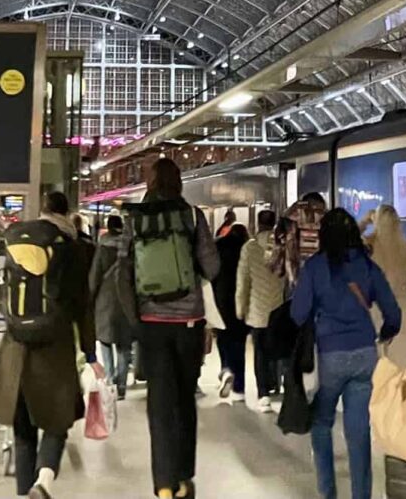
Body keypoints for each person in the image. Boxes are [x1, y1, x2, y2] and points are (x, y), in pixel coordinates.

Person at [0, 192, 99, 499]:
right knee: (56, 420)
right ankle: (44, 481)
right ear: (67, 213)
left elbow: (3, 295)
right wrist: (90, 353)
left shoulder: (16, 240)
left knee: (23, 430)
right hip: (54, 347)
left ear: (43, 210)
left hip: (15, 347)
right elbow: (82, 306)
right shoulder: (73, 248)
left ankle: (24, 492)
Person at [121, 156, 219, 499]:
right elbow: (212, 266)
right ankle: (183, 477)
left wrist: (135, 320)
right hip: (188, 322)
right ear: (179, 182)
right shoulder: (192, 215)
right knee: (184, 398)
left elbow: (125, 270)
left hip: (150, 323)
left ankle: (163, 483)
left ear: (149, 183)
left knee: (159, 404)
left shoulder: (135, 218)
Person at [291, 208, 400, 499]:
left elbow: (298, 313)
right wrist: (382, 335)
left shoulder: (315, 266)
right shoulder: (367, 265)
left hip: (331, 356)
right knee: (358, 430)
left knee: (321, 421)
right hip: (365, 354)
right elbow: (394, 314)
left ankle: (328, 492)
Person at [363, 203, 406, 369]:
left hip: (377, 317)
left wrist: (364, 222)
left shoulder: (368, 247)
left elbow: (348, 241)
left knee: (382, 382)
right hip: (405, 319)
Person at [236, 209, 285, 411]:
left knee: (260, 353)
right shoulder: (282, 248)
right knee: (279, 348)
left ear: (257, 224)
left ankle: (263, 393)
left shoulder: (250, 248)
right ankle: (277, 384)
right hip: (279, 308)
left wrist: (240, 308)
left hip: (257, 309)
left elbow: (243, 281)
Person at [89, 214, 133, 399]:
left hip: (105, 302)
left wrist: (90, 299)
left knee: (106, 342)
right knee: (124, 346)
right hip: (126, 301)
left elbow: (95, 277)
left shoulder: (102, 247)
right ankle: (121, 386)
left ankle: (109, 379)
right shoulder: (131, 248)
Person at [213, 221, 249, 402]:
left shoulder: (217, 246)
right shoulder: (246, 249)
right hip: (241, 301)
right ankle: (239, 388)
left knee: (222, 337)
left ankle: (226, 368)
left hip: (220, 300)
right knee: (239, 343)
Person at [274, 190, 327, 294]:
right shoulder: (289, 229)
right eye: (317, 211)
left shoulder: (323, 230)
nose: (319, 216)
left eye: (322, 212)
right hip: (294, 287)